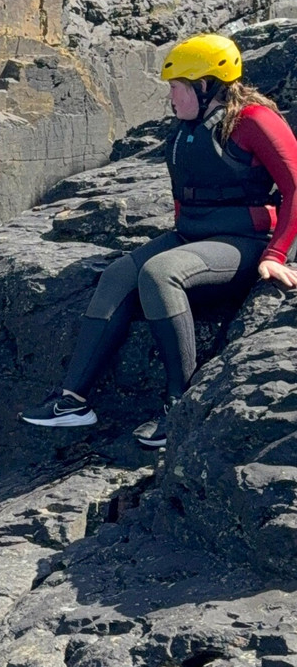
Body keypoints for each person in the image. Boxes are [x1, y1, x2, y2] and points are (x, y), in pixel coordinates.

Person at [20, 33, 297, 447]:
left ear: (206, 86)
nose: (170, 97)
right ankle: (72, 401)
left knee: (160, 274)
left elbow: (295, 187)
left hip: (244, 241)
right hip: (192, 237)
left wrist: (276, 254)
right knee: (117, 275)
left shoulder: (254, 121)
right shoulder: (189, 126)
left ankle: (179, 406)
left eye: (176, 87)